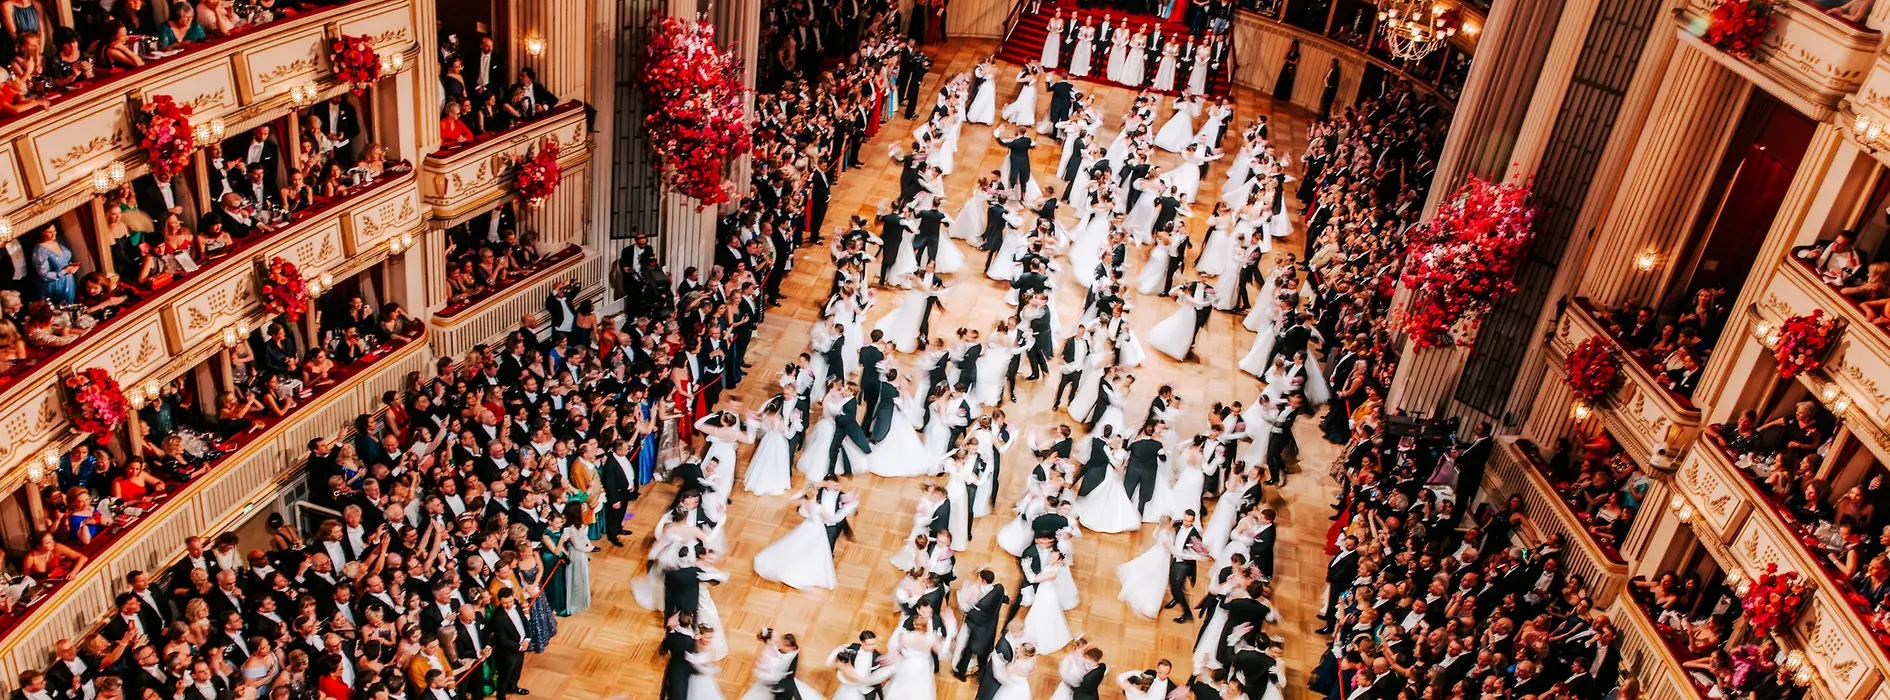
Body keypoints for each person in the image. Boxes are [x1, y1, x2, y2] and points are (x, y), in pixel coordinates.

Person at [752, 491, 839, 590]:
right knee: (814, 550)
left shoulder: (804, 502)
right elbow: (831, 519)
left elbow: (796, 503)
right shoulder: (818, 507)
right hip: (816, 530)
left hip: (807, 526)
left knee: (799, 546)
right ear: (815, 493)